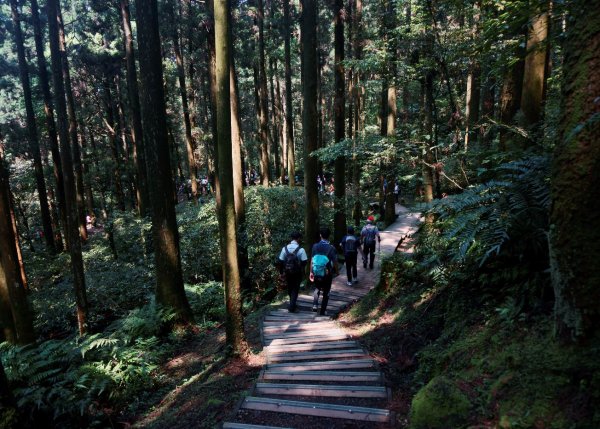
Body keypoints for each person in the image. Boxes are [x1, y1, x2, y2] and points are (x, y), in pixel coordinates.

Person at [309, 227, 338, 315]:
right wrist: (337, 271)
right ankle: (323, 311)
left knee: (317, 288)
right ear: (329, 236)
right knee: (326, 291)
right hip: (327, 272)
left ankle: (315, 305)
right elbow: (335, 261)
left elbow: (312, 259)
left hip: (316, 271)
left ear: (320, 235)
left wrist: (311, 271)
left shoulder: (315, 246)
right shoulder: (332, 248)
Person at [278, 231, 308, 312]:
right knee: (295, 288)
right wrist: (300, 268)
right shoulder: (301, 249)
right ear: (298, 239)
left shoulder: (285, 249)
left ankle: (292, 303)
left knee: (290, 287)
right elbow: (305, 261)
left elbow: (280, 261)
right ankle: (292, 307)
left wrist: (281, 272)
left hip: (287, 272)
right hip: (297, 273)